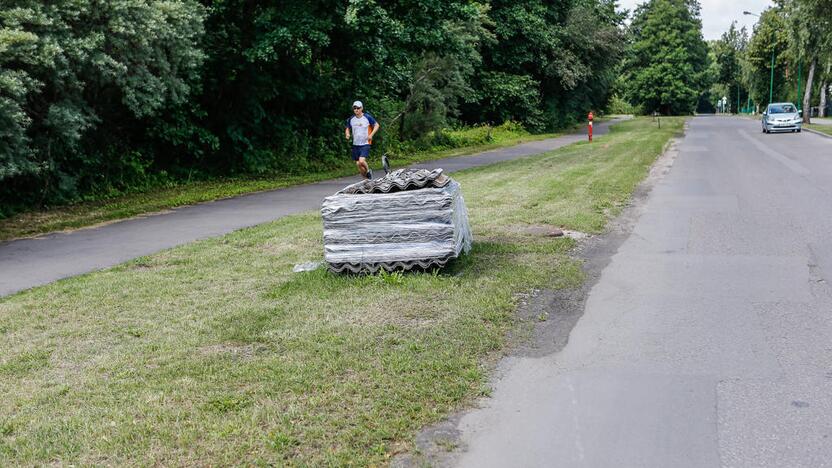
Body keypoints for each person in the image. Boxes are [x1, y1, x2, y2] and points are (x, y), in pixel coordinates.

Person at [344, 101, 380, 179]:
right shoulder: (351, 119)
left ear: (362, 108)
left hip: (365, 143)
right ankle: (365, 180)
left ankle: (368, 171)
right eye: (354, 108)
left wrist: (371, 135)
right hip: (356, 144)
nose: (356, 110)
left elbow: (377, 125)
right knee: (358, 164)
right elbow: (347, 128)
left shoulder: (367, 117)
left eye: (358, 108)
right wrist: (347, 134)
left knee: (361, 161)